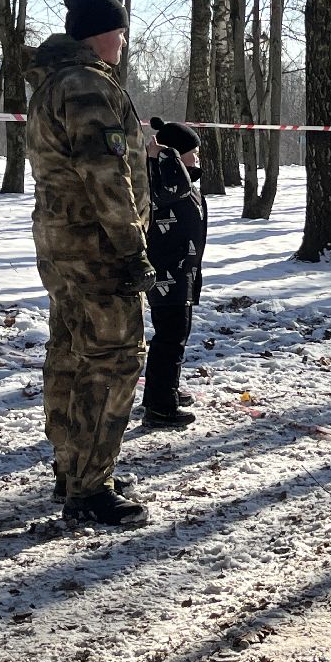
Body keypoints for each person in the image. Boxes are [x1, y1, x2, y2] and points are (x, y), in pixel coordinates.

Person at [27, 0, 154, 527]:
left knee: (71, 352)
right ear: (103, 34)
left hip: (61, 247)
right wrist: (132, 249)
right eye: (120, 32)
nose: (123, 42)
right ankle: (89, 486)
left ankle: (73, 465)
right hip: (97, 249)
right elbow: (106, 175)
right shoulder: (85, 85)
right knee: (114, 359)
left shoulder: (55, 82)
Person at [142, 116, 207, 429]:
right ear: (173, 155)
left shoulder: (176, 175)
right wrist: (163, 154)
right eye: (191, 153)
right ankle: (159, 406)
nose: (197, 158)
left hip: (184, 271)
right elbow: (174, 187)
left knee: (177, 335)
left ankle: (164, 390)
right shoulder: (164, 177)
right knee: (170, 337)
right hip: (167, 274)